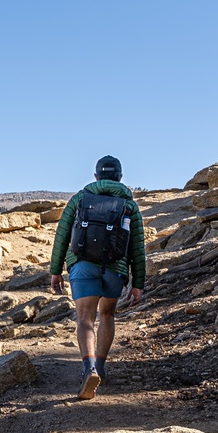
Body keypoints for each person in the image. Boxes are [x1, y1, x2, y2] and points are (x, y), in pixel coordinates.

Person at [50, 155, 146, 399]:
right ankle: (101, 367)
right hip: (115, 268)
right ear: (120, 178)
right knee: (107, 314)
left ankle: (88, 368)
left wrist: (55, 271)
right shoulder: (129, 206)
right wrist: (138, 283)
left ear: (96, 177)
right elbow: (137, 247)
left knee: (84, 317)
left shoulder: (80, 199)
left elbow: (62, 235)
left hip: (82, 265)